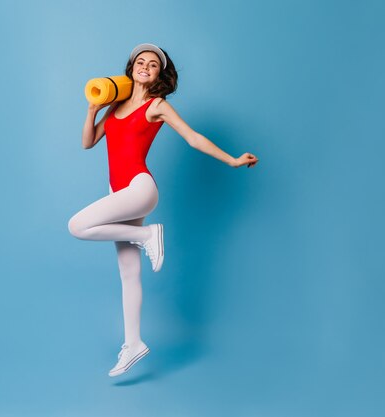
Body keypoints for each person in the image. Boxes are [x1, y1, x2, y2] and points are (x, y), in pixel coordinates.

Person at [68, 43, 258, 377]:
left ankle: (147, 234)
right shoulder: (114, 106)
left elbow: (194, 138)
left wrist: (231, 160)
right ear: (131, 69)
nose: (144, 66)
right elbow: (87, 142)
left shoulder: (157, 106)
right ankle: (133, 344)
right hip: (118, 190)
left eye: (152, 64)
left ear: (159, 74)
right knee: (128, 272)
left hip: (140, 188)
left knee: (78, 225)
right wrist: (91, 109)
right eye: (140, 61)